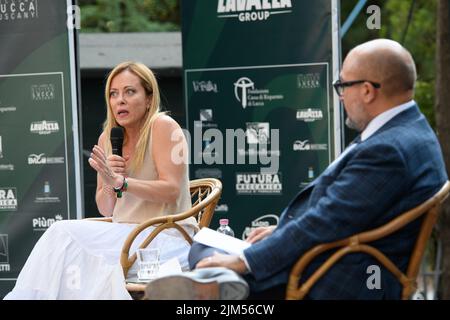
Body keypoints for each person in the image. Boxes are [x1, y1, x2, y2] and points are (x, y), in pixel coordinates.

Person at [144, 39, 448, 300]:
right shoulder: (413, 131)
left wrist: (244, 262)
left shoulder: (389, 149)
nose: (340, 96)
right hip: (335, 259)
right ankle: (213, 286)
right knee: (203, 245)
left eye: (342, 85)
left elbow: (324, 223)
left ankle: (214, 288)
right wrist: (279, 232)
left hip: (327, 277)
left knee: (203, 259)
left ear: (367, 91)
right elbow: (346, 216)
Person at [4, 61, 196, 300]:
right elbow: (106, 208)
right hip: (124, 235)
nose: (120, 100)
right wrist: (108, 180)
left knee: (65, 236)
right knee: (62, 237)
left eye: (129, 92)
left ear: (149, 98)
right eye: (113, 94)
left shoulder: (163, 127)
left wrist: (123, 183)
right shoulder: (108, 137)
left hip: (166, 236)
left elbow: (171, 191)